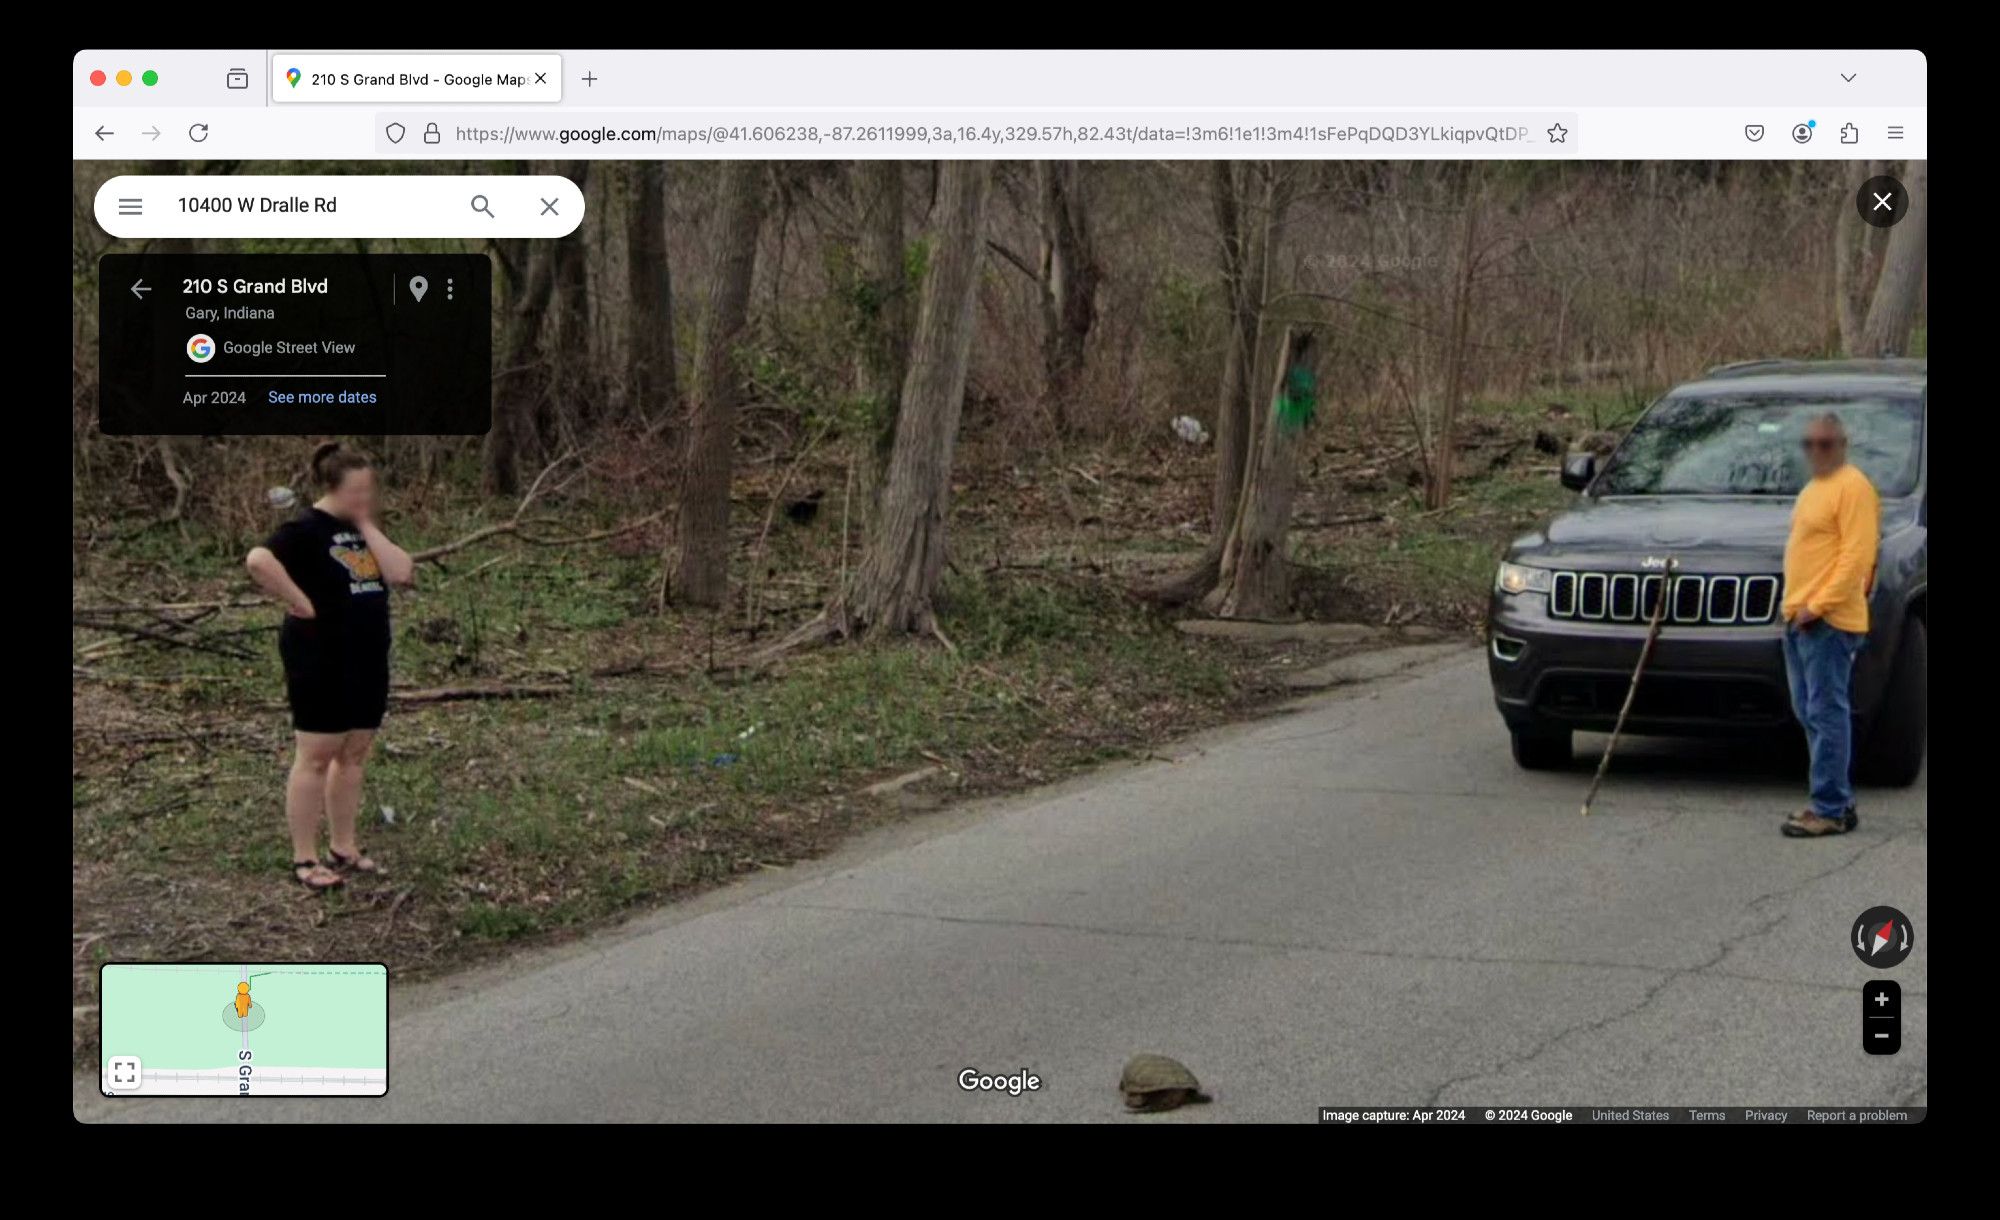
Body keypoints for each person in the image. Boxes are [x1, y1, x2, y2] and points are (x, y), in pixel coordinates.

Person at [244, 442, 416, 888]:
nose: (364, 498)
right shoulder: (306, 528)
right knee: (316, 756)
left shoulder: (362, 529)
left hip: (367, 655)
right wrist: (299, 602)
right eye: (355, 491)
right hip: (320, 656)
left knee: (354, 754)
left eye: (368, 490)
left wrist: (364, 522)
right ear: (332, 487)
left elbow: (401, 572)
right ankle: (305, 858)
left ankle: (344, 845)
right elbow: (259, 560)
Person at [1779, 413, 1879, 838]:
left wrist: (1818, 606)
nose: (1817, 451)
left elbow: (1856, 557)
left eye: (1826, 444)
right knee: (1809, 712)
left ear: (1842, 444)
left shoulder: (1853, 487)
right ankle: (1837, 797)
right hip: (1798, 617)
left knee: (1826, 710)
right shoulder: (1813, 489)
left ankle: (1831, 808)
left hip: (1828, 621)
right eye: (1811, 444)